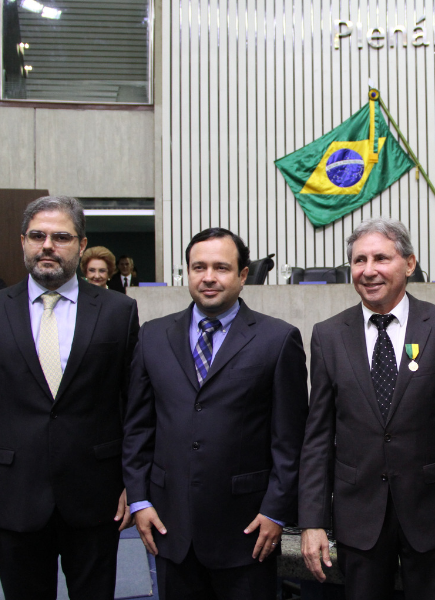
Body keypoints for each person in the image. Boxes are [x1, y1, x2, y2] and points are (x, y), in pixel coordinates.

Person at [299, 218, 435, 600]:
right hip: (358, 519)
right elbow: (317, 438)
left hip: (433, 519)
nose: (368, 271)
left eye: (381, 258)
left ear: (409, 263)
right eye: (359, 260)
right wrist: (312, 521)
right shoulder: (328, 335)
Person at [122, 227, 308, 600]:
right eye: (199, 267)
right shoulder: (153, 336)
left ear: (243, 275)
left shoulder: (277, 339)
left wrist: (276, 511)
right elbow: (138, 427)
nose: (208, 277)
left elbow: (290, 440)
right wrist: (139, 499)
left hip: (247, 530)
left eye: (221, 268)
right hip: (169, 525)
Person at [0, 195, 139, 600]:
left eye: (61, 237)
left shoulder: (118, 311)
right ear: (23, 242)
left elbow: (133, 403)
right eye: (37, 236)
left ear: (81, 244)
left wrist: (133, 482)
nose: (47, 245)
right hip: (12, 494)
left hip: (96, 496)